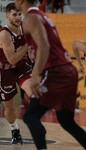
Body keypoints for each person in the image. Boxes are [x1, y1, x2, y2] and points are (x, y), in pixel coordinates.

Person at [14, 0, 86, 150]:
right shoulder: (43, 16)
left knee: (30, 116)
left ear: (21, 1)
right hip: (67, 70)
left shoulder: (30, 18)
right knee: (66, 120)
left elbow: (44, 46)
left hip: (56, 72)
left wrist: (35, 76)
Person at [0, 3, 33, 144]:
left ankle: (35, 121)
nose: (18, 17)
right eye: (14, 14)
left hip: (22, 67)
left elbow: (31, 51)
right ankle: (14, 129)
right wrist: (28, 45)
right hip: (6, 69)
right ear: (7, 16)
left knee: (34, 92)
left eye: (20, 14)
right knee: (9, 108)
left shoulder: (26, 28)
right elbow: (12, 59)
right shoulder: (4, 34)